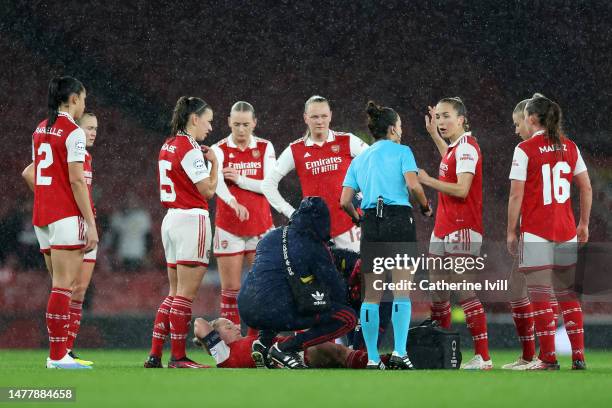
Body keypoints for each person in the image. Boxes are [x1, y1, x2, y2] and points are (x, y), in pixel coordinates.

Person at [340, 101, 432, 370]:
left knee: (372, 295)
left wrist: (360, 219)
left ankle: (370, 358)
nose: (401, 131)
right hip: (398, 219)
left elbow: (345, 200)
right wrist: (425, 207)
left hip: (371, 222)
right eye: (400, 126)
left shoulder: (360, 159)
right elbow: (414, 185)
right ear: (392, 128)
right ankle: (399, 354)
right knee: (401, 292)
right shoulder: (403, 151)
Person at [507, 93, 592, 370]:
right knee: (568, 297)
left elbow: (516, 196)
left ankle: (548, 359)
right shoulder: (570, 147)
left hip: (537, 231)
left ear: (531, 118)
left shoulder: (525, 150)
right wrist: (584, 223)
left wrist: (511, 231)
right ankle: (578, 357)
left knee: (541, 297)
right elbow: (586, 187)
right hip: (566, 229)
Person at [237, 197, 357, 369]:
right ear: (322, 221)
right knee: (347, 317)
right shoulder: (314, 245)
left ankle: (263, 343)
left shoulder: (272, 235)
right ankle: (285, 348)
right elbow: (337, 292)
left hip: (246, 309)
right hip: (275, 310)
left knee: (277, 291)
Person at [27, 76, 97, 369]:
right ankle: (57, 356)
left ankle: (59, 354)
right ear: (72, 100)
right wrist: (91, 223)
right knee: (63, 287)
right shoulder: (73, 131)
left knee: (58, 286)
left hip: (42, 216)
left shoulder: (40, 129)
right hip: (66, 215)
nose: (83, 104)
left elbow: (33, 173)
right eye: (82, 99)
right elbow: (77, 180)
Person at [418, 97, 492, 370]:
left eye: (446, 116)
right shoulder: (454, 149)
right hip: (442, 226)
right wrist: (433, 136)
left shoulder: (468, 149)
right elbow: (449, 164)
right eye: (437, 117)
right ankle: (444, 353)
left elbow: (461, 189)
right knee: (438, 292)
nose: (440, 122)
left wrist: (427, 181)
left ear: (461, 119)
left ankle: (483, 357)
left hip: (462, 227)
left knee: (465, 291)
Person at [144, 96, 218, 369]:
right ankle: (178, 357)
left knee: (174, 293)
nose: (210, 128)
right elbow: (207, 191)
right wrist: (215, 163)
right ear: (195, 119)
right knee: (185, 295)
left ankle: (154, 355)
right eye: (208, 121)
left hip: (171, 219)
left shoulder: (168, 145)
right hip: (191, 219)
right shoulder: (189, 147)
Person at [262, 95, 368, 252]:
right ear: (306, 118)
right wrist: (292, 214)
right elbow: (267, 185)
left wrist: (365, 196)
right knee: (324, 277)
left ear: (330, 115)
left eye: (324, 116)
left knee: (359, 276)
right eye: (314, 117)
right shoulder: (295, 149)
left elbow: (376, 164)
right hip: (315, 233)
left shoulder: (347, 140)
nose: (320, 121)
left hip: (350, 227)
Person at [211, 101, 275, 327]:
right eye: (236, 124)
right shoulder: (218, 149)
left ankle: (260, 343)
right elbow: (216, 182)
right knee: (230, 290)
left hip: (261, 226)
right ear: (228, 122)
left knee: (264, 287)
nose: (240, 130)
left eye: (245, 124)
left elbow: (268, 185)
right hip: (229, 228)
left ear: (254, 123)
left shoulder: (266, 148)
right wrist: (232, 201)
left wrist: (239, 180)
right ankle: (231, 344)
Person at [192, 317, 373, 369]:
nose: (236, 327)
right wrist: (210, 341)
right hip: (293, 354)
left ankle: (378, 361)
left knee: (338, 353)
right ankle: (378, 361)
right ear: (216, 335)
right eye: (228, 326)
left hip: (294, 346)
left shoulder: (251, 341)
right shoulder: (222, 353)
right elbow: (199, 323)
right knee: (335, 352)